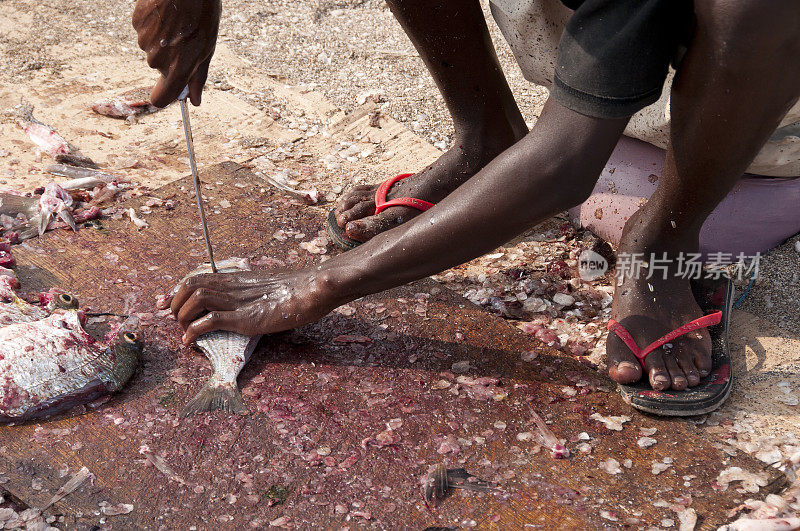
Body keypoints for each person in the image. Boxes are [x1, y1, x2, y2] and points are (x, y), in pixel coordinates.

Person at [134, 0, 800, 405]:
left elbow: (565, 166)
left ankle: (665, 240)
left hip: (763, 102)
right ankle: (485, 137)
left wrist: (315, 286)